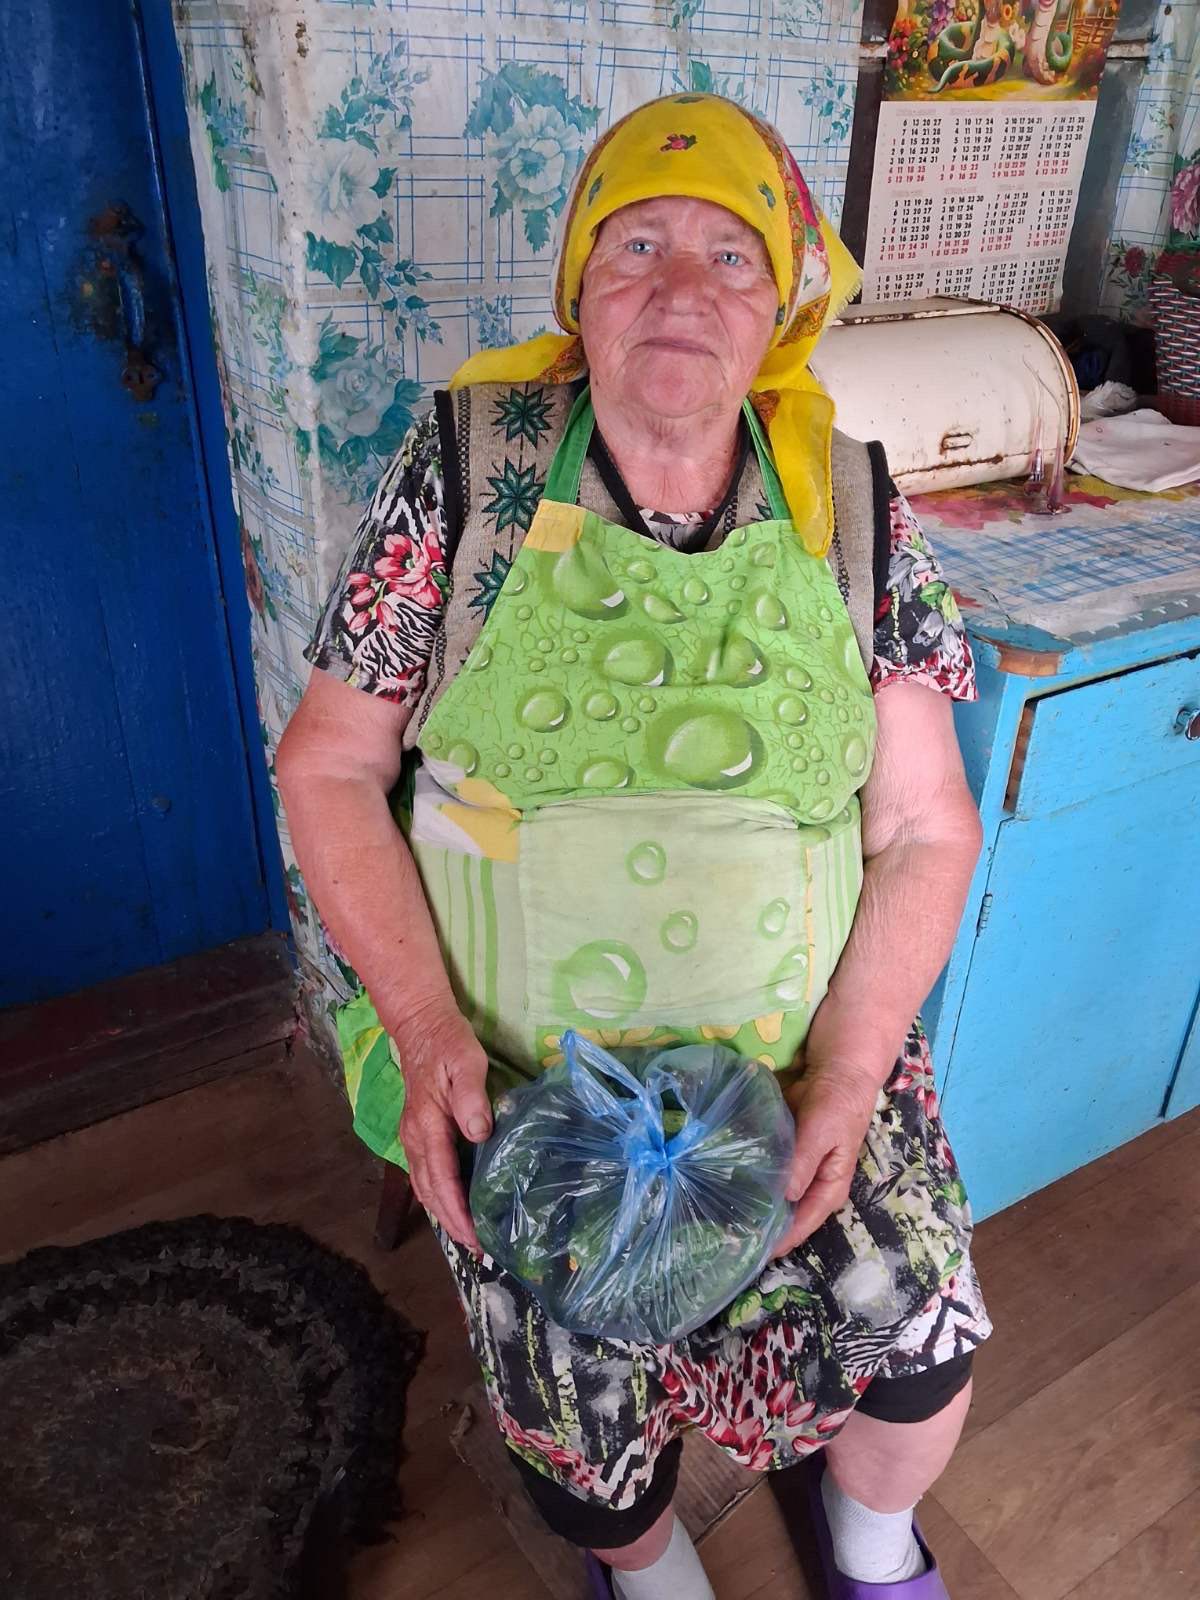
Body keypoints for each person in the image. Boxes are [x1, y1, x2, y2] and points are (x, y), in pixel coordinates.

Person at [278, 92, 991, 1600]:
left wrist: (852, 1069)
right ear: (578, 289)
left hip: (806, 1073)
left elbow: (926, 823)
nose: (680, 288)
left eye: (731, 256)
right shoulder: (470, 470)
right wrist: (422, 1025)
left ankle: (870, 1543)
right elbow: (330, 766)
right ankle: (650, 1569)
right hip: (521, 1082)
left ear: (780, 307)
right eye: (636, 245)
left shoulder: (852, 504)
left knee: (922, 1343)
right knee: (575, 1408)